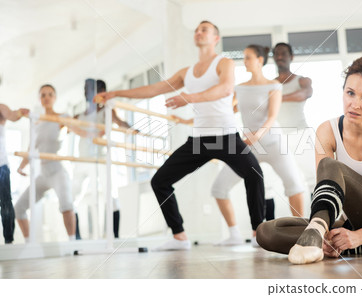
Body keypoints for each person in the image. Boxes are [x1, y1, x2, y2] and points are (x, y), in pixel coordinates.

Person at [97, 20, 265, 251]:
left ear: (215, 38)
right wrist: (116, 93)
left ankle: (258, 232)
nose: (198, 32)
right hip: (199, 141)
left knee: (254, 173)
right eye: (197, 30)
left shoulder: (223, 63)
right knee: (160, 181)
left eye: (204, 29)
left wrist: (190, 98)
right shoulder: (187, 73)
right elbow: (154, 89)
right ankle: (179, 236)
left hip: (225, 136)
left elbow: (225, 89)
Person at [256, 57, 362, 264]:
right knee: (267, 232)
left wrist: (356, 237)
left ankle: (318, 234)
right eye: (350, 93)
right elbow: (324, 192)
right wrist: (342, 234)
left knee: (330, 165)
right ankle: (326, 241)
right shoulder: (328, 130)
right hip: (353, 222)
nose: (355, 104)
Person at [208, 45, 305, 246]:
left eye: (248, 57)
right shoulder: (240, 88)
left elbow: (271, 117)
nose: (245, 61)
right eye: (243, 58)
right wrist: (190, 120)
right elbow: (225, 110)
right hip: (249, 146)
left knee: (294, 184)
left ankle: (300, 232)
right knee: (219, 188)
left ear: (260, 60)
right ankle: (235, 234)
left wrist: (257, 135)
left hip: (273, 143)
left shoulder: (274, 86)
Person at [15, 84, 81, 242]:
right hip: (43, 173)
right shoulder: (37, 124)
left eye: (50, 94)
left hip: (58, 170)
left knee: (66, 205)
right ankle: (29, 244)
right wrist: (21, 166)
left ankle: (73, 243)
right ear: (40, 99)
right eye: (43, 95)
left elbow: (76, 128)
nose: (46, 97)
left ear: (55, 98)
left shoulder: (62, 117)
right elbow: (31, 148)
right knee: (19, 208)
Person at [72, 79, 133, 240]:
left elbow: (120, 123)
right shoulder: (79, 115)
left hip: (100, 159)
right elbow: (62, 126)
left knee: (110, 196)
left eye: (92, 89)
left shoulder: (106, 111)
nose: (88, 92)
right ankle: (76, 237)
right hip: (82, 161)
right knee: (72, 197)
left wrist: (133, 130)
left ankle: (115, 236)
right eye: (86, 89)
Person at [273, 43, 315, 195]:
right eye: (276, 54)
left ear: (291, 57)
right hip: (278, 137)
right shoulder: (270, 84)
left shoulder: (302, 80)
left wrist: (277, 97)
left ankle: (318, 218)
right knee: (270, 182)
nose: (279, 57)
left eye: (283, 53)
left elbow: (304, 94)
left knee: (312, 178)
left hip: (299, 134)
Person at [0, 104, 29, 244]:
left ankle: (9, 241)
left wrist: (19, 113)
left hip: (1, 166)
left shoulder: (1, 108)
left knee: (5, 203)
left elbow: (12, 115)